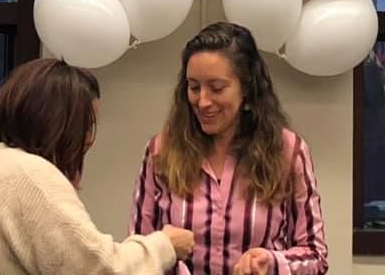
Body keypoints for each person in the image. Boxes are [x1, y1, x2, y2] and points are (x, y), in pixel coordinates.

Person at [0, 58, 194, 275]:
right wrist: (165, 245)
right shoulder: (28, 175)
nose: (88, 141)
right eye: (86, 127)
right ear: (59, 123)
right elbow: (98, 268)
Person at [130, 22, 328, 275]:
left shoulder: (289, 152)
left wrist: (271, 263)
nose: (202, 101)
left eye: (217, 88)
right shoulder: (161, 150)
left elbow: (315, 257)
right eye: (193, 87)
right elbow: (136, 255)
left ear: (246, 87)